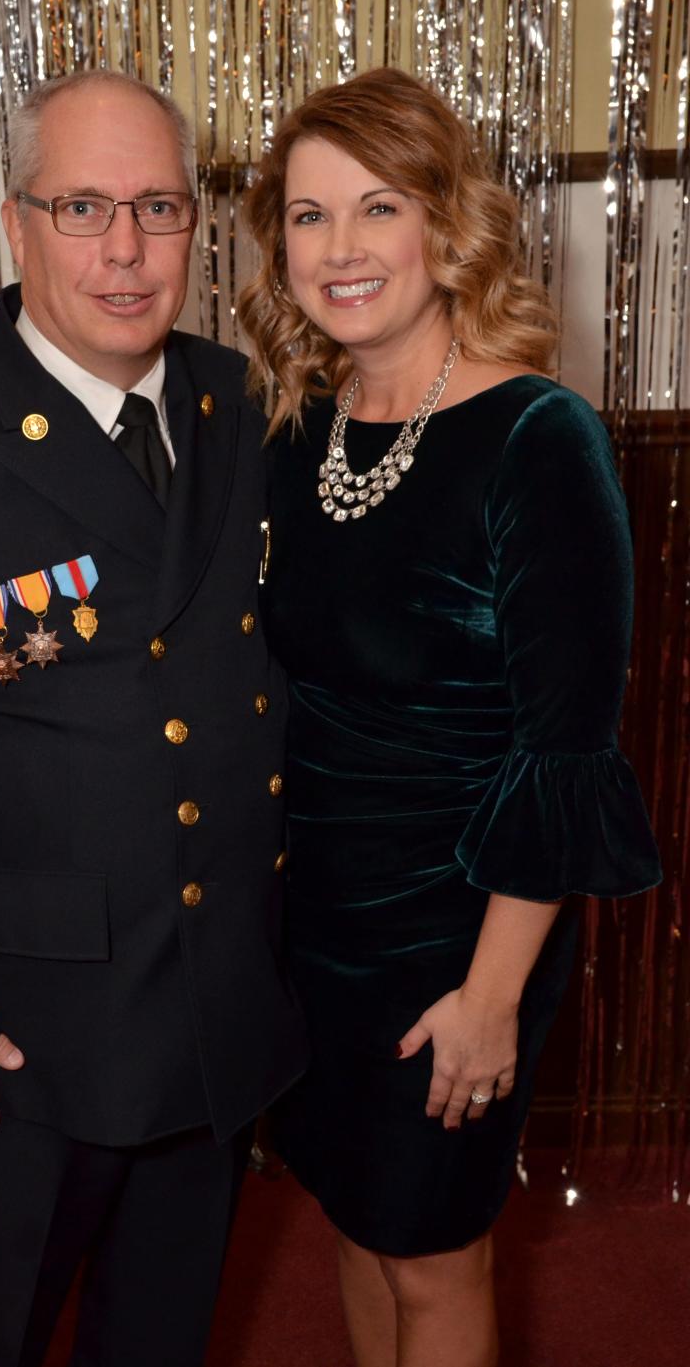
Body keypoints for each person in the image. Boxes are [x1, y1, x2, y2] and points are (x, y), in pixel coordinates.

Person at [0, 69, 307, 1367]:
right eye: (83, 206)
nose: (126, 250)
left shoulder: (239, 405)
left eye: (159, 206)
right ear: (14, 222)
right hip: (25, 1031)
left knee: (162, 1335)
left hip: (210, 1004)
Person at [237, 67, 661, 1367]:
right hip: (316, 922)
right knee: (361, 1226)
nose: (341, 249)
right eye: (308, 217)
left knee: (436, 1250)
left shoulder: (541, 435)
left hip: (460, 927)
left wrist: (491, 994)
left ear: (447, 224)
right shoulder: (294, 431)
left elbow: (565, 746)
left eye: (377, 206)